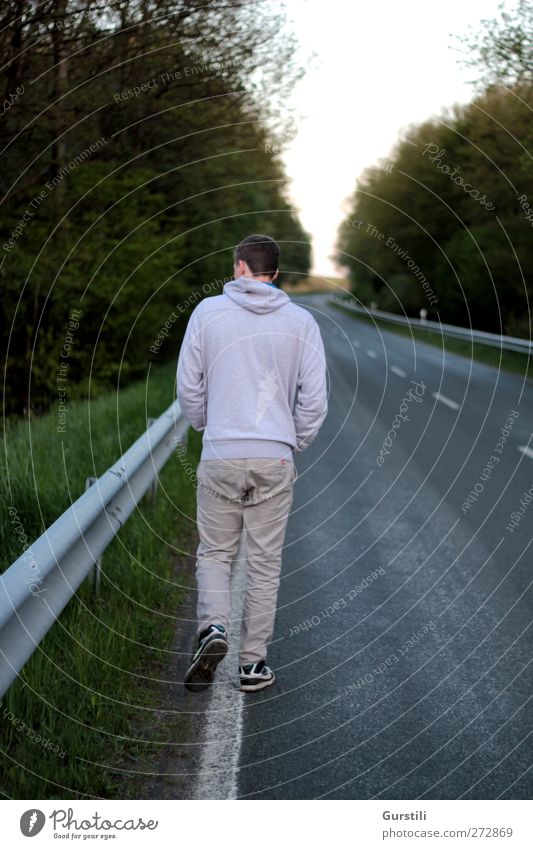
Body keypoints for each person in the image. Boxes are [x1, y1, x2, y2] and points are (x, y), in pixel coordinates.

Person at [177, 234, 328, 693]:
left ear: (240, 267)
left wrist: (209, 427)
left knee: (216, 554)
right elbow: (315, 402)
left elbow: (188, 386)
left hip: (221, 451)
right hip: (274, 457)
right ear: (275, 273)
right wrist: (290, 443)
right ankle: (252, 665)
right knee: (264, 563)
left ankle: (213, 630)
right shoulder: (301, 322)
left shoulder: (207, 313)